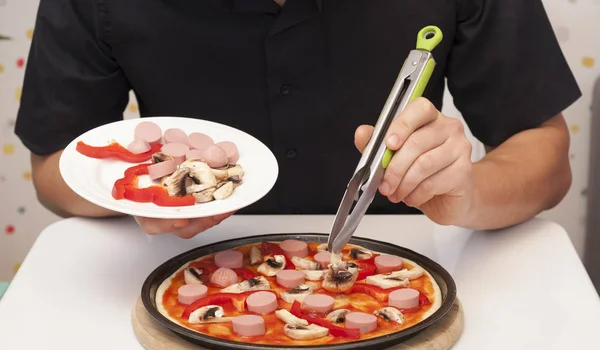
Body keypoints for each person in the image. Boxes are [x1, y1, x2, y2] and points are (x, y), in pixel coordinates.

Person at [15, 0, 580, 239]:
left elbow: (545, 154)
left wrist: (469, 194)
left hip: (403, 265)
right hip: (167, 271)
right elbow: (51, 171)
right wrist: (140, 194)